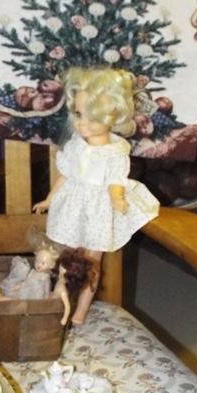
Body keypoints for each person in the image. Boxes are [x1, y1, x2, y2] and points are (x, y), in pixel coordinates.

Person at [33, 67, 159, 324]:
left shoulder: (115, 152)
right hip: (73, 205)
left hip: (99, 210)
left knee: (91, 263)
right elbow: (66, 174)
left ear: (113, 116)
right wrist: (50, 198)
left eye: (92, 118)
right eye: (78, 114)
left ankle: (81, 308)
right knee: (68, 257)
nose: (82, 124)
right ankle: (59, 294)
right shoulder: (76, 145)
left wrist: (118, 199)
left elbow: (115, 182)